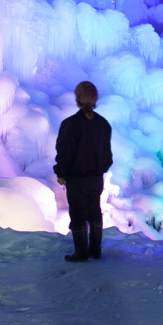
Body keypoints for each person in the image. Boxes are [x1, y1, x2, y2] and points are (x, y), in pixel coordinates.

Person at [54, 81, 112, 262]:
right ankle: (95, 250)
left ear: (77, 100)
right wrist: (100, 169)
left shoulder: (70, 124)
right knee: (95, 211)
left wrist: (61, 173)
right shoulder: (103, 124)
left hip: (77, 178)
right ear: (95, 100)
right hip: (96, 178)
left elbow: (64, 151)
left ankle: (81, 252)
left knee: (78, 213)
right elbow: (107, 154)